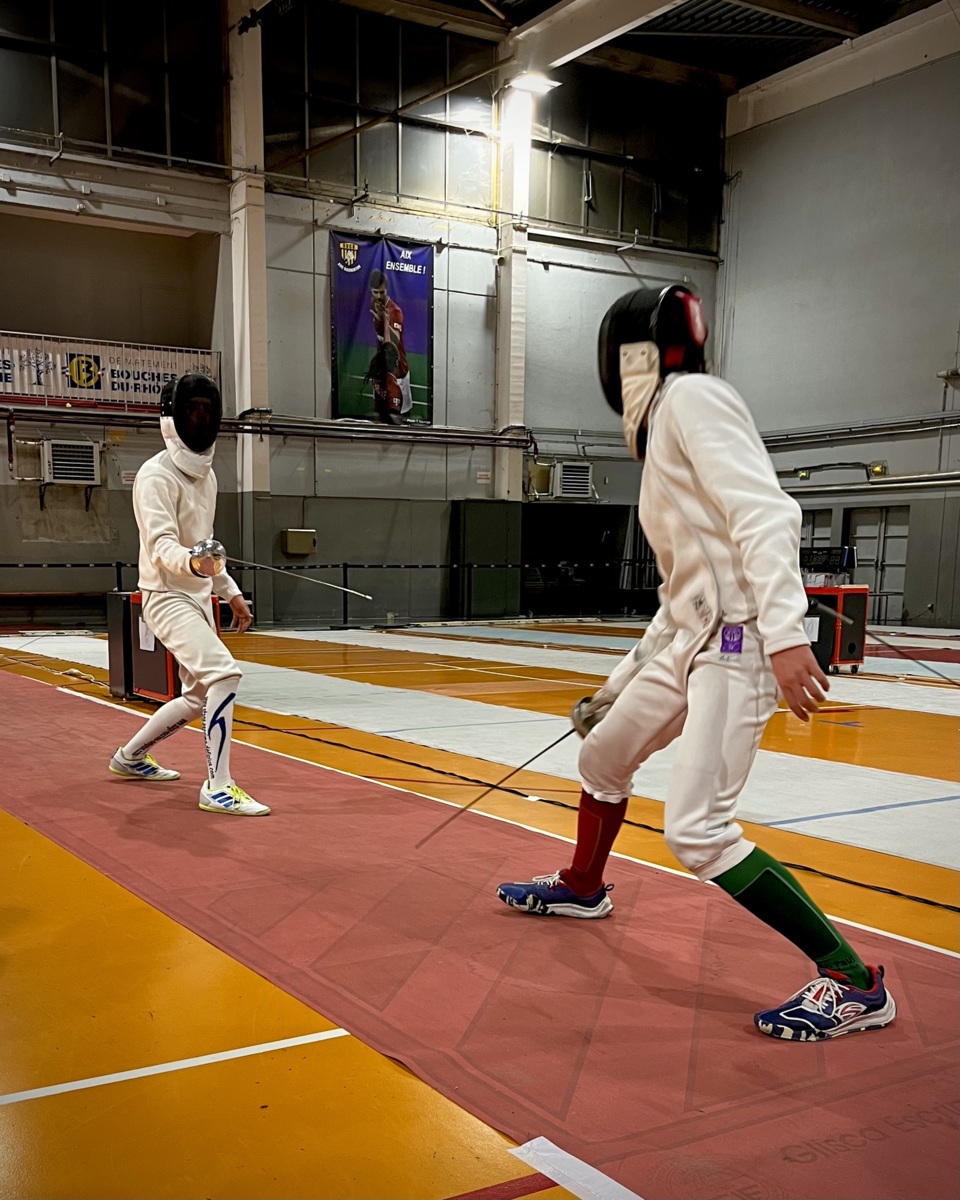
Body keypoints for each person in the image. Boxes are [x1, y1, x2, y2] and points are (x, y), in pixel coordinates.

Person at [497, 286, 895, 1041]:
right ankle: (584, 886)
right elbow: (683, 596)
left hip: (738, 647)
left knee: (698, 831)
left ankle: (854, 982)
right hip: (692, 641)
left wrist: (785, 634)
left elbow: (767, 513)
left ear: (635, 360)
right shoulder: (664, 435)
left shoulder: (693, 400)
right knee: (602, 757)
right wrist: (615, 688)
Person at [107, 372, 269, 817]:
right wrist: (194, 563)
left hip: (198, 598)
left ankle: (129, 757)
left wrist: (229, 592)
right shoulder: (154, 476)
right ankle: (218, 787)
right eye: (192, 409)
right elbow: (162, 547)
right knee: (224, 675)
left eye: (206, 410)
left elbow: (206, 546)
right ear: (172, 417)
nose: (200, 418)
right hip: (165, 596)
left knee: (198, 696)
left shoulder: (207, 477)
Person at [369, 269, 413, 418]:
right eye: (375, 292)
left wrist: (385, 322)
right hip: (382, 370)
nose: (378, 296)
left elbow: (396, 340)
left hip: (397, 370)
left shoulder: (395, 311)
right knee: (380, 413)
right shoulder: (373, 303)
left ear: (387, 290)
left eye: (382, 292)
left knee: (399, 415)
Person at [366, 341, 405, 424]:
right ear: (397, 362)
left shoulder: (377, 379)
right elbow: (393, 416)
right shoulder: (393, 386)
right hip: (386, 428)